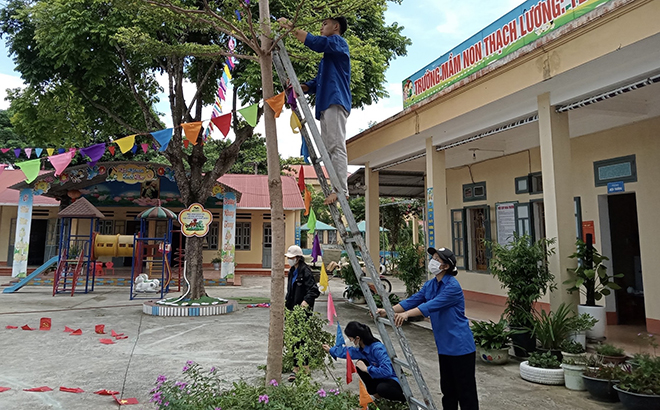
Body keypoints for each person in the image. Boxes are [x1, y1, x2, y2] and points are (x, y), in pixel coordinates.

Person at [376, 247, 479, 410]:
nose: (432, 261)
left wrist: (407, 315)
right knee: (448, 391)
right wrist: (388, 310)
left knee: (466, 393)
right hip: (444, 347)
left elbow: (431, 305)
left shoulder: (452, 287)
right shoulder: (431, 285)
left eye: (437, 259)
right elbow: (414, 299)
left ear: (446, 266)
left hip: (460, 347)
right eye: (433, 257)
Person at [278, 16, 351, 205]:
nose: (321, 26)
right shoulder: (329, 58)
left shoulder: (337, 42)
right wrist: (301, 87)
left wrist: (292, 29)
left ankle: (341, 189)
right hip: (327, 103)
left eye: (325, 24)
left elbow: (317, 43)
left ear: (336, 27)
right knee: (328, 149)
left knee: (336, 146)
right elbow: (317, 83)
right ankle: (337, 188)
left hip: (335, 101)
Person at [323, 321, 406, 403]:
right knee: (360, 364)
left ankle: (406, 401)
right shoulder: (362, 349)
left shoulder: (377, 349)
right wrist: (331, 350)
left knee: (382, 388)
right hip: (381, 377)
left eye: (351, 339)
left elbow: (387, 371)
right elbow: (347, 352)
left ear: (358, 338)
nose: (350, 342)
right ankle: (375, 396)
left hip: (393, 379)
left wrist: (367, 369)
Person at [284, 244, 321, 382]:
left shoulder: (306, 271)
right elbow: (290, 292)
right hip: (292, 310)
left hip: (302, 312)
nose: (289, 260)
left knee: (302, 339)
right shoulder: (291, 272)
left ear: (298, 258)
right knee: (294, 340)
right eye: (289, 258)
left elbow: (314, 291)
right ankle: (295, 368)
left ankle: (305, 367)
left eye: (292, 258)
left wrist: (305, 302)